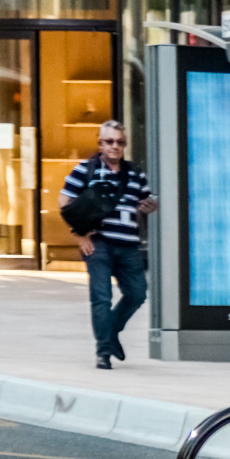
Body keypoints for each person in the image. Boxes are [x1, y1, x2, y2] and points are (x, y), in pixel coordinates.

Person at [62, 120, 158, 370]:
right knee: (101, 297)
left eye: (119, 142)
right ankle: (103, 351)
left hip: (128, 245)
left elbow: (144, 201)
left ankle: (112, 331)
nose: (114, 146)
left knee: (138, 293)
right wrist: (79, 234)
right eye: (109, 141)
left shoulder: (135, 174)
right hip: (99, 244)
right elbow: (65, 202)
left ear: (124, 145)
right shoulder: (86, 169)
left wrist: (149, 206)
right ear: (100, 144)